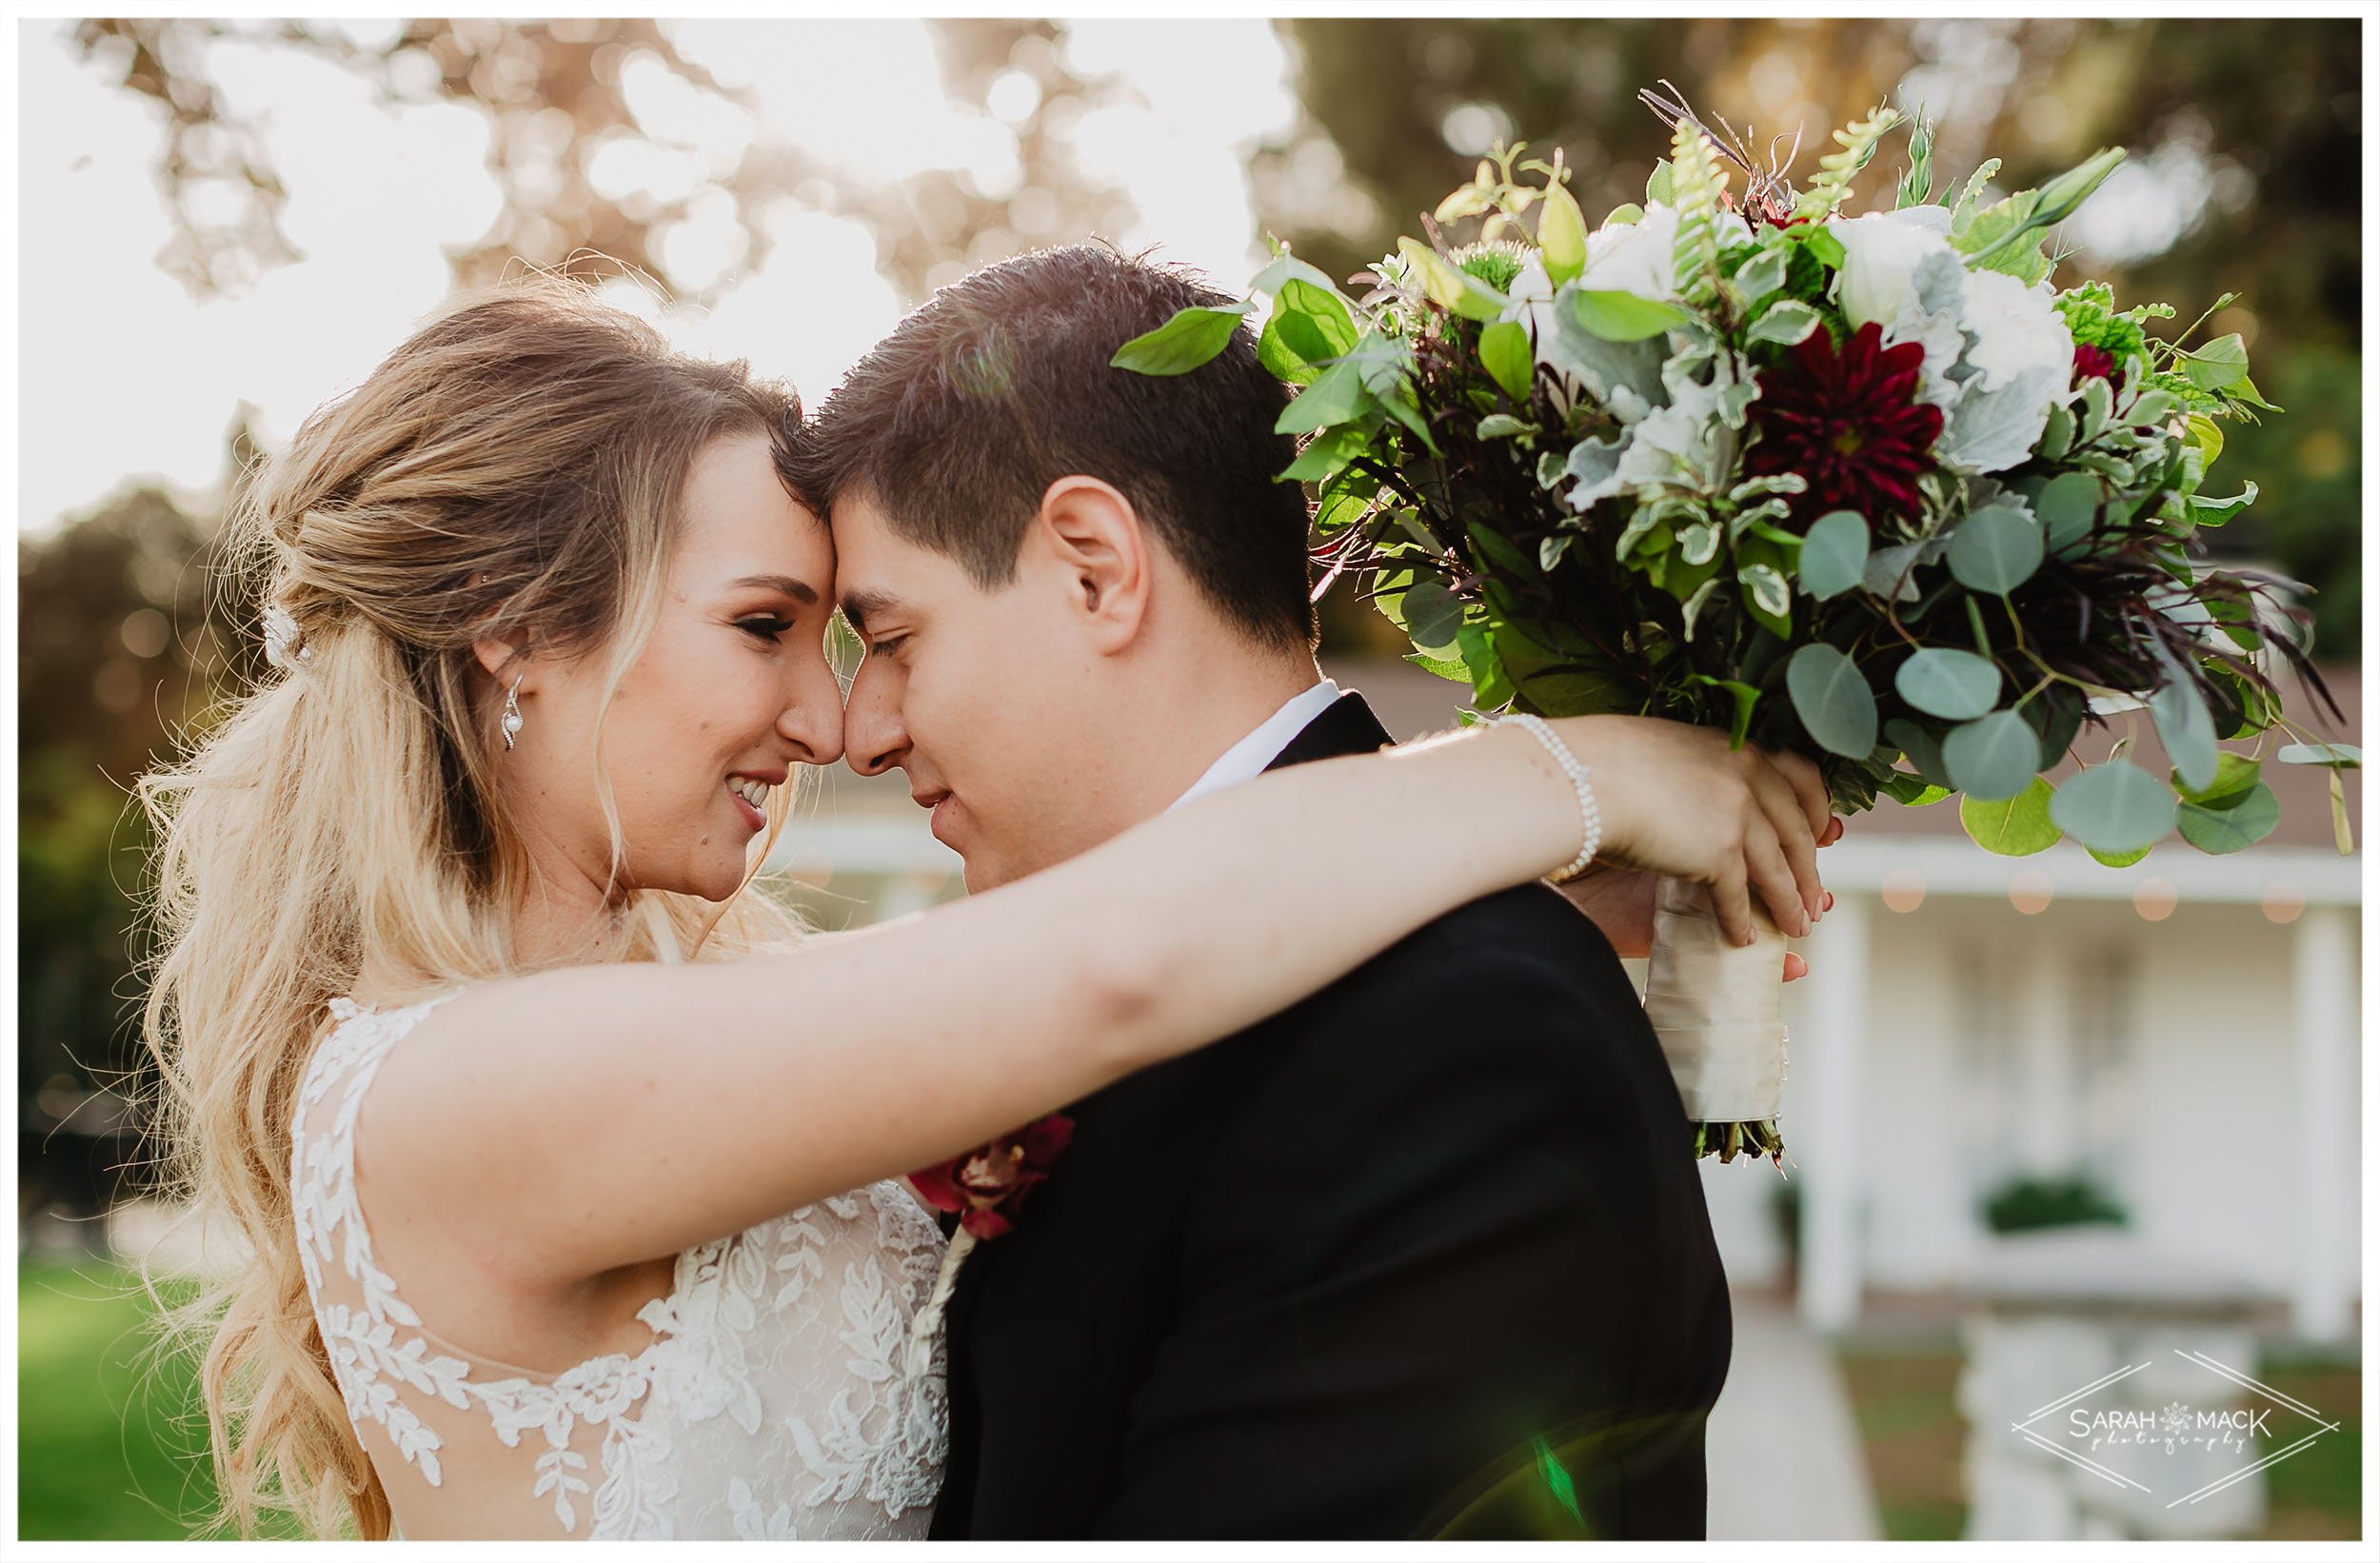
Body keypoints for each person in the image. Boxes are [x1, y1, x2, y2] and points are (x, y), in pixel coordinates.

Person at [139, 282, 1830, 1542]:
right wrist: (1576, 772)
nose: (831, 723)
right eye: (765, 624)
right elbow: (1114, 961)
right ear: (513, 628)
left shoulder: (1453, 1029)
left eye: (860, 634)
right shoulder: (460, 1086)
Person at [790, 244, 1833, 1540]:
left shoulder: (1465, 1038)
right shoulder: (1099, 982)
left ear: (1095, 566)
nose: (860, 729)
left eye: (891, 640)